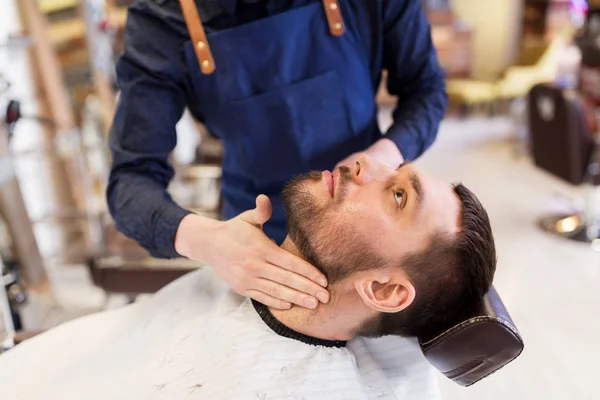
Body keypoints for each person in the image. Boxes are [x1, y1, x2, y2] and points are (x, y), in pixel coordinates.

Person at [0, 155, 496, 399]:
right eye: (395, 171)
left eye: (398, 196)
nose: (365, 161)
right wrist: (197, 237)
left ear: (386, 290)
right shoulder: (230, 272)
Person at [107, 0, 448, 311]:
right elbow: (131, 181)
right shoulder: (162, 19)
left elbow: (427, 91)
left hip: (364, 237)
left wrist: (383, 156)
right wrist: (208, 241)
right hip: (256, 238)